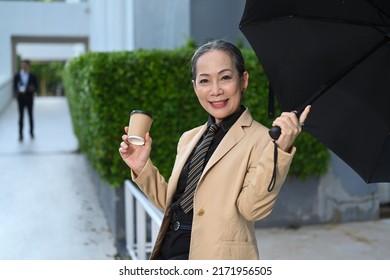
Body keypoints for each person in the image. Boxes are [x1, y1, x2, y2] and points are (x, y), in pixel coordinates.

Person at [119, 39, 310, 260]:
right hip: (168, 252)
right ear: (195, 87)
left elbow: (253, 209)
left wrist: (281, 149)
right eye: (205, 81)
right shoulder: (189, 138)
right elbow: (176, 204)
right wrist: (143, 168)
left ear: (243, 80)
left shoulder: (264, 140)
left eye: (225, 77)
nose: (216, 90)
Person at [13, 59, 39, 142]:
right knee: (21, 117)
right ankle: (20, 134)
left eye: (25, 65)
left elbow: (36, 86)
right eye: (22, 64)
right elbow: (14, 87)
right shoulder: (17, 75)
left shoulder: (32, 76)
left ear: (28, 65)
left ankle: (31, 132)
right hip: (21, 98)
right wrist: (17, 91)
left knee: (30, 116)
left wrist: (32, 89)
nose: (24, 66)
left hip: (29, 98)